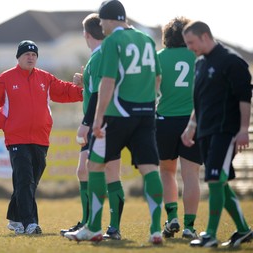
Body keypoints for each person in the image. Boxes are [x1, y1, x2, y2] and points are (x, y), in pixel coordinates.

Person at [65, 0, 164, 244]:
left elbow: (107, 83)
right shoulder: (147, 40)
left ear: (108, 20)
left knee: (94, 166)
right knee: (150, 169)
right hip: (145, 114)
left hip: (118, 114)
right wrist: (147, 102)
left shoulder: (112, 42)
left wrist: (97, 119)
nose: (101, 26)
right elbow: (158, 77)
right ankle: (155, 229)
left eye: (101, 21)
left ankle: (94, 227)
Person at [0, 40, 83, 235]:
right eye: (26, 54)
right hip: (16, 139)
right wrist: (4, 124)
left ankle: (15, 218)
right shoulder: (6, 78)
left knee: (30, 182)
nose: (30, 57)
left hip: (40, 138)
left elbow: (63, 91)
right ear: (18, 57)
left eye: (34, 54)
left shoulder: (45, 78)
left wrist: (82, 90)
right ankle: (30, 223)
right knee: (24, 180)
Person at [181, 21, 253, 248]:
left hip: (225, 132)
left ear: (204, 36)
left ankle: (210, 234)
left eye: (191, 42)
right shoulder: (200, 64)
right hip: (204, 132)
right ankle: (243, 231)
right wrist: (191, 126)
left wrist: (243, 130)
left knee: (213, 178)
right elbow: (199, 100)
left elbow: (244, 98)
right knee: (219, 182)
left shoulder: (232, 61)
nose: (190, 47)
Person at [60, 13, 124, 240]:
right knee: (88, 170)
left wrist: (86, 124)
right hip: (105, 121)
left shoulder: (99, 57)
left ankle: (102, 225)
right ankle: (90, 222)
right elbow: (96, 87)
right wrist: (83, 80)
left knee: (104, 172)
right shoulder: (98, 58)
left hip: (101, 123)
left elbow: (98, 95)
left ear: (86, 34)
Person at [156, 16, 202, 240]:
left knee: (166, 171)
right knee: (191, 174)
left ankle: (172, 216)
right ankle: (189, 226)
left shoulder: (159, 57)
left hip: (165, 120)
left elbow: (153, 90)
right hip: (193, 121)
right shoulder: (198, 56)